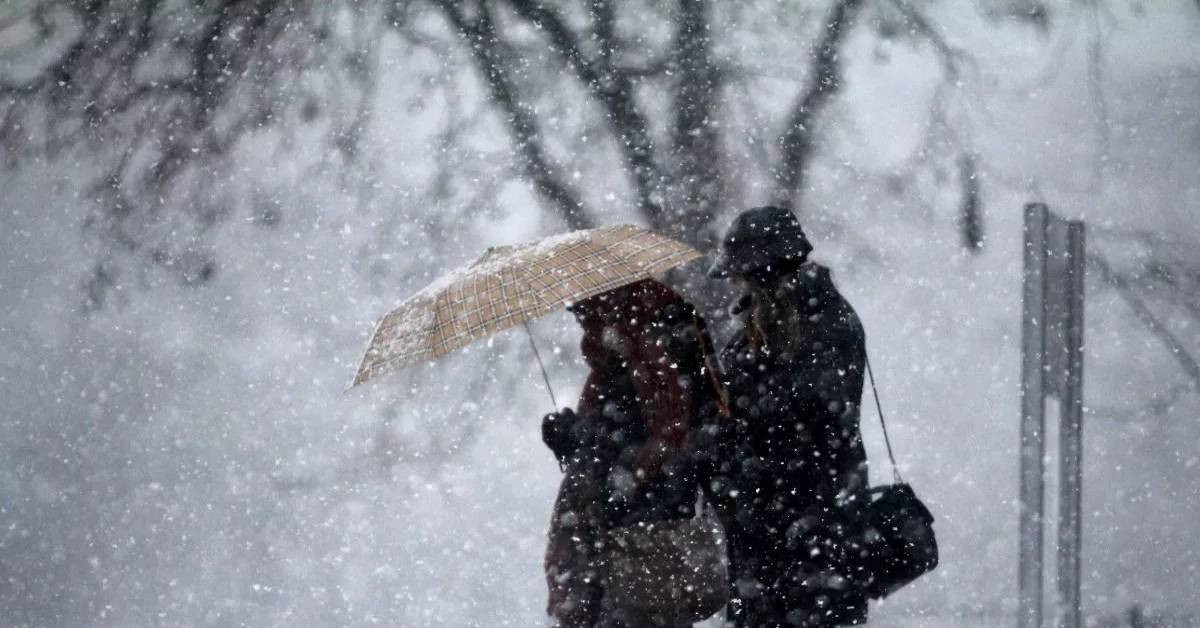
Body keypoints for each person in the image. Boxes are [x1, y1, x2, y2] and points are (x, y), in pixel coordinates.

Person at [708, 206, 870, 627]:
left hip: (812, 535)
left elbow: (816, 417)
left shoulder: (826, 322)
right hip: (768, 536)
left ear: (766, 272)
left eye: (743, 276)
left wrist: (746, 398)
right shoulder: (759, 331)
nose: (737, 287)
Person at [540, 279, 729, 628]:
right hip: (622, 526)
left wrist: (623, 470)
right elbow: (611, 432)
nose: (582, 323)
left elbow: (666, 435)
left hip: (644, 526)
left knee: (639, 611)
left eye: (585, 311)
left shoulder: (650, 347)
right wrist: (573, 438)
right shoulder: (617, 356)